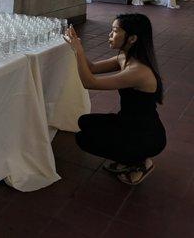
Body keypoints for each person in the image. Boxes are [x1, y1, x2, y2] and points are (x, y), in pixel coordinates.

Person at [63, 13, 166, 185]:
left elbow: (89, 82)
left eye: (115, 31)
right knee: (85, 122)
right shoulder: (124, 57)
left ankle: (139, 162)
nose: (110, 35)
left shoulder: (139, 71)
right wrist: (77, 46)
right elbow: (92, 68)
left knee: (84, 139)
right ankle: (131, 155)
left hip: (147, 135)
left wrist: (78, 50)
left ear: (132, 38)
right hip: (129, 123)